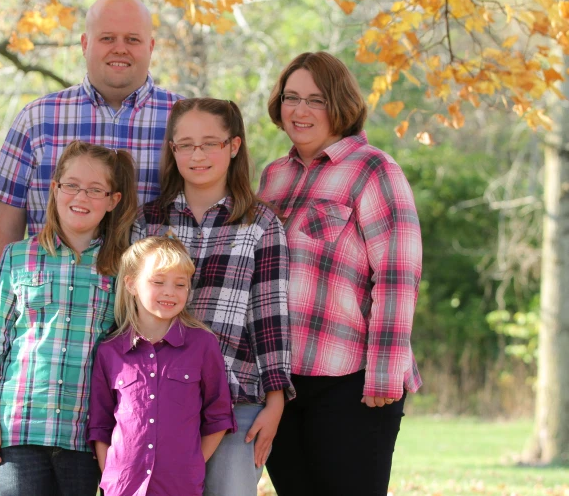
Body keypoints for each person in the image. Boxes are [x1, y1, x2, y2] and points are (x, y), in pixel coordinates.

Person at [257, 51, 423, 495]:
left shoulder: (373, 169)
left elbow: (397, 276)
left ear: (340, 105)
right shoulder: (272, 177)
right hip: (282, 385)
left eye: (316, 99)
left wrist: (384, 374)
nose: (300, 110)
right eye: (291, 97)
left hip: (351, 383)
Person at [134, 98, 295, 495]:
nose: (197, 154)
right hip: (158, 400)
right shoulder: (148, 221)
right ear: (172, 150)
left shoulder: (260, 224)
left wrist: (275, 403)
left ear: (234, 146)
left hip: (236, 398)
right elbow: (129, 313)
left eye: (210, 143)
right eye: (185, 144)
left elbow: (269, 316)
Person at [0, 141, 138, 495]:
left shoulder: (123, 267)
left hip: (85, 433)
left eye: (96, 190)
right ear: (55, 189)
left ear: (113, 200)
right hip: (19, 426)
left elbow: (127, 354)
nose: (82, 196)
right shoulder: (18, 257)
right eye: (72, 185)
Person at [0, 0, 184, 283]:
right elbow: (6, 228)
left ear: (150, 47)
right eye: (107, 38)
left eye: (132, 40)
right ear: (84, 44)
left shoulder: (183, 121)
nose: (120, 49)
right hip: (51, 309)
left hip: (152, 313)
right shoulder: (37, 119)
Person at [87, 236, 236, 496]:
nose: (170, 291)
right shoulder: (109, 351)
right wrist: (111, 475)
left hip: (181, 487)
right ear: (131, 284)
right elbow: (100, 425)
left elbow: (219, 416)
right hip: (122, 487)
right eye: (158, 282)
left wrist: (192, 464)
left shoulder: (202, 344)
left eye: (181, 284)